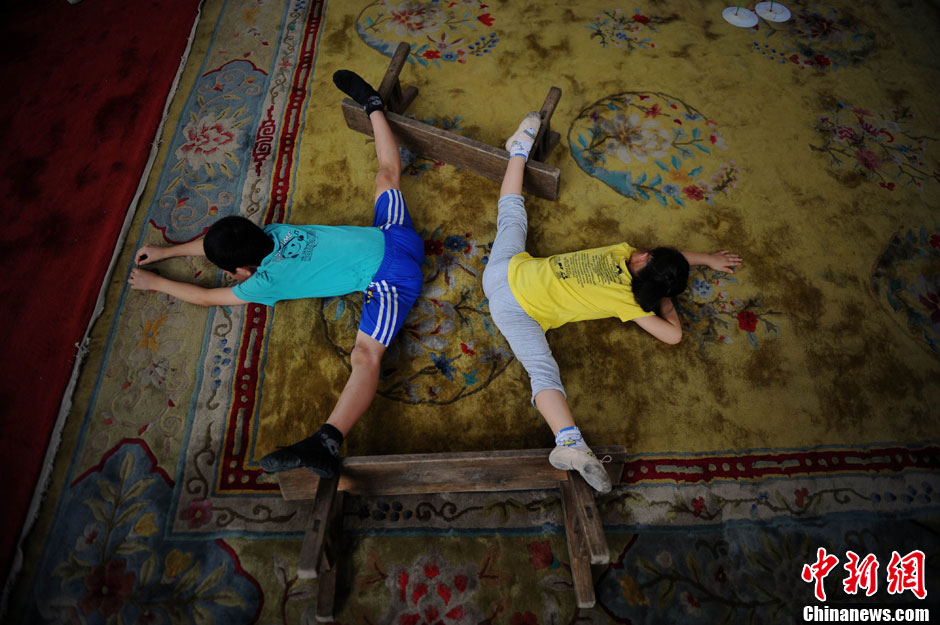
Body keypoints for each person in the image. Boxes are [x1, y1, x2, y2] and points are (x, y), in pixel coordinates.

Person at [128, 70, 424, 478]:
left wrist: (155, 281)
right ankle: (373, 104)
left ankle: (327, 440)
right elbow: (221, 241)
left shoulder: (264, 284)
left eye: (231, 272)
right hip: (396, 235)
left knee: (366, 356)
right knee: (387, 174)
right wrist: (169, 250)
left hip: (395, 279)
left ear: (242, 271)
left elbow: (206, 298)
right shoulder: (273, 232)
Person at [482, 113, 743, 493]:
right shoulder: (631, 305)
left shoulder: (618, 251)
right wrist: (666, 298)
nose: (640, 251)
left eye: (646, 256)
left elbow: (666, 259)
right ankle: (569, 442)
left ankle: (518, 149)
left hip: (505, 272)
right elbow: (672, 336)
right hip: (513, 311)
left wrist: (700, 259)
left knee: (512, 216)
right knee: (541, 369)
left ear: (640, 262)